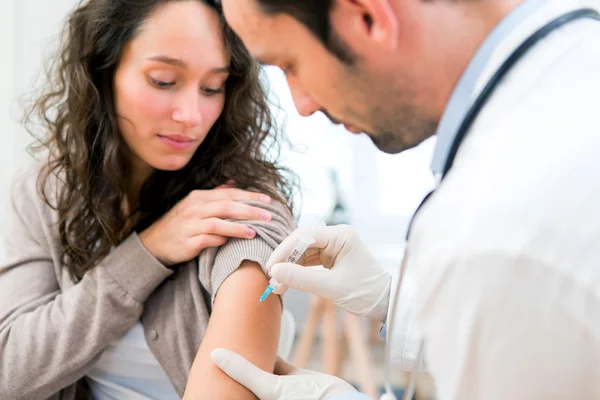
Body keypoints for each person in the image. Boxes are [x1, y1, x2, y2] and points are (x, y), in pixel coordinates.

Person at [211, 0, 600, 399]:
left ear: (368, 18)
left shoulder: (492, 235)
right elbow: (535, 348)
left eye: (290, 64)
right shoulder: (578, 62)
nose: (303, 106)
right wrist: (388, 299)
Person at [0, 0, 296, 399]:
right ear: (102, 73)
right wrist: (147, 253)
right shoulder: (45, 191)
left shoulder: (239, 207)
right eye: (163, 80)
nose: (191, 115)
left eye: (212, 88)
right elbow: (10, 370)